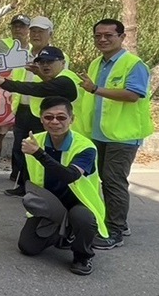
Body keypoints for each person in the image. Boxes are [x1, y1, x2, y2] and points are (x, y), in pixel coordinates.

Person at [75, 19, 153, 249]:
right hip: (97, 133)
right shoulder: (96, 64)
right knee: (102, 178)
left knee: (113, 181)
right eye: (98, 35)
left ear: (122, 37)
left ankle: (115, 231)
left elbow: (133, 95)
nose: (103, 39)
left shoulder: (133, 64)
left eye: (108, 35)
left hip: (123, 135)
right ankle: (118, 222)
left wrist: (96, 89)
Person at [18, 97, 106, 277]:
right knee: (28, 247)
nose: (55, 122)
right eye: (48, 117)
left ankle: (83, 256)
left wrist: (39, 154)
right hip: (51, 204)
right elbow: (29, 177)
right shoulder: (34, 141)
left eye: (61, 117)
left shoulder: (85, 147)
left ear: (71, 119)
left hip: (79, 203)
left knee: (82, 218)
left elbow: (69, 176)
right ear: (41, 119)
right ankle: (64, 233)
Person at [0, 46, 81, 197]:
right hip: (58, 128)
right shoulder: (59, 78)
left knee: (62, 165)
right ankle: (26, 187)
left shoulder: (66, 80)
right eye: (42, 62)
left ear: (62, 62)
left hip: (74, 133)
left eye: (50, 62)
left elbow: (34, 88)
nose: (45, 65)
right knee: (31, 152)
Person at [0, 13, 32, 183]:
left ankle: (17, 172)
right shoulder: (3, 44)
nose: (18, 29)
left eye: (22, 26)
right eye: (15, 26)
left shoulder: (34, 48)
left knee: (23, 136)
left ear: (28, 29)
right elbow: (0, 66)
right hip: (4, 95)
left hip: (26, 96)